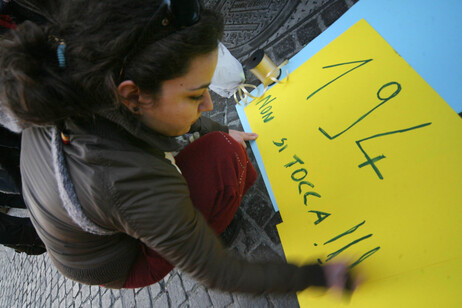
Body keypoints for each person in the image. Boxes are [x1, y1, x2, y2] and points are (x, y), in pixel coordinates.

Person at [0, 0, 354, 294]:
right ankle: (217, 227)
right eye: (196, 95)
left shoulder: (86, 77)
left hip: (79, 229)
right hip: (122, 260)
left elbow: (173, 111)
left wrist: (215, 127)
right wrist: (319, 277)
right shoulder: (130, 182)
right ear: (132, 94)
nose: (211, 105)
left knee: (219, 140)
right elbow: (221, 273)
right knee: (226, 158)